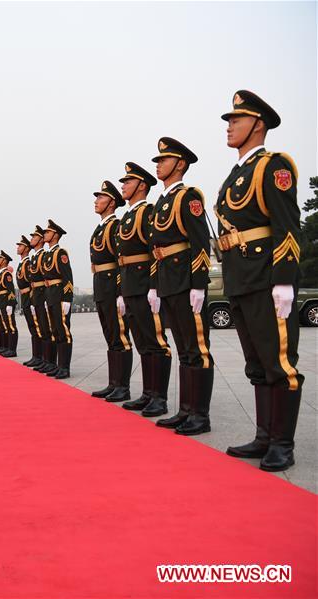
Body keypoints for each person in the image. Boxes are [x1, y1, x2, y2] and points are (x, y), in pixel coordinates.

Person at [218, 90, 304, 472]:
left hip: (266, 276)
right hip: (240, 278)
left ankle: (282, 445)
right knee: (257, 363)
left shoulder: (273, 166)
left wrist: (284, 280)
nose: (229, 126)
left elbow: (287, 226)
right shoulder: (236, 173)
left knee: (279, 362)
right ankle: (264, 436)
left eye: (236, 119)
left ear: (258, 123)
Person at [149, 137, 215, 435]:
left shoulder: (189, 196)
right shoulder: (162, 201)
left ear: (180, 164)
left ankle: (200, 415)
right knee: (183, 349)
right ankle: (185, 410)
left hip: (185, 280)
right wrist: (155, 285)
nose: (159, 164)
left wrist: (199, 284)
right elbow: (156, 249)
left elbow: (201, 243)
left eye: (164, 160)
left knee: (196, 348)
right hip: (168, 280)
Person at [114, 162, 173, 414]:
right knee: (142, 341)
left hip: (144, 283)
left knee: (156, 340)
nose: (123, 186)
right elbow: (121, 257)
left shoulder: (147, 211)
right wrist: (120, 290)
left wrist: (153, 286)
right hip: (129, 283)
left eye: (128, 182)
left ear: (142, 185)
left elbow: (153, 251)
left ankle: (159, 397)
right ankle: (148, 393)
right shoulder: (128, 215)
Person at [90, 181, 133, 400]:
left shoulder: (115, 225)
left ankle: (123, 386)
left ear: (112, 203)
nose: (96, 201)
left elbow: (120, 260)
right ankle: (114, 382)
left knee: (120, 336)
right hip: (101, 284)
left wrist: (119, 291)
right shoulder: (101, 228)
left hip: (111, 284)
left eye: (101, 197)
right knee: (110, 336)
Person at [40, 220, 73, 379]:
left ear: (55, 235)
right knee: (55, 331)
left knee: (63, 330)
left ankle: (64, 367)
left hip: (60, 294)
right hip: (50, 294)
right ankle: (58, 365)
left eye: (47, 232)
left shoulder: (60, 253)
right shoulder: (47, 254)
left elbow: (67, 276)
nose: (45, 234)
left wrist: (67, 298)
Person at [28, 225, 56, 373]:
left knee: (48, 329)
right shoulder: (36, 257)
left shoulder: (46, 255)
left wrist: (66, 297)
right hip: (37, 295)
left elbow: (64, 276)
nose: (31, 239)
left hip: (46, 294)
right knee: (42, 330)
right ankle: (44, 360)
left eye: (34, 236)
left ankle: (50, 362)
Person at [15, 236, 38, 365]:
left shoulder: (28, 263)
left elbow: (32, 283)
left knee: (36, 328)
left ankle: (39, 357)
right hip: (25, 297)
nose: (18, 248)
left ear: (26, 248)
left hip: (30, 297)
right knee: (31, 327)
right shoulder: (22, 264)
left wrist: (33, 300)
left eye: (20, 246)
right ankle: (36, 356)